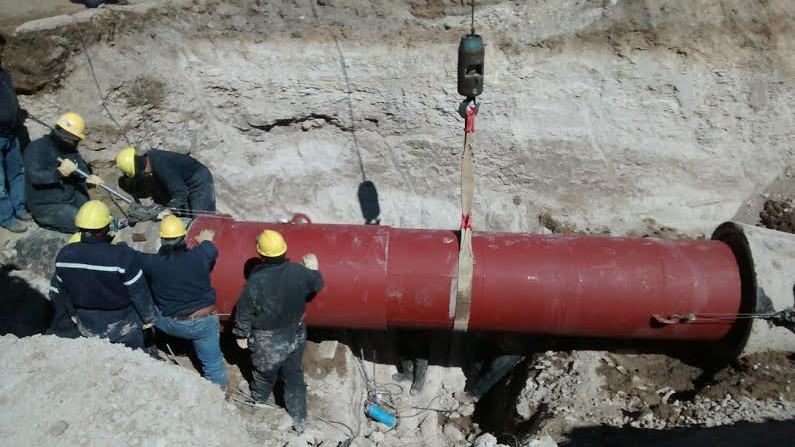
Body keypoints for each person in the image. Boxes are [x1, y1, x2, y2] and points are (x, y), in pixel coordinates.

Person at [233, 229, 323, 433]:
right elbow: (317, 284)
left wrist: (241, 333)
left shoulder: (256, 281)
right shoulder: (298, 271)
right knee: (293, 374)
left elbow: (244, 309)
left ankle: (259, 400)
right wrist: (314, 270)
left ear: (261, 254)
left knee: (265, 373)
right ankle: (299, 419)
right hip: (295, 333)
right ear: (284, 250)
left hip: (268, 340)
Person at [137, 215, 228, 388]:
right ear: (184, 237)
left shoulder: (152, 263)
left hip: (174, 325)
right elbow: (210, 249)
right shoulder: (200, 255)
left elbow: (132, 257)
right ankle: (220, 395)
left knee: (145, 307)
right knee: (214, 365)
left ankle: (151, 344)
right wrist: (205, 240)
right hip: (205, 322)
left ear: (162, 239)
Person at [52, 200, 156, 349]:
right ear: (107, 226)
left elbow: (57, 292)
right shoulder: (122, 256)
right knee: (134, 357)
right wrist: (149, 319)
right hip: (123, 326)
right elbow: (139, 293)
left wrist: (67, 317)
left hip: (87, 325)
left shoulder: (65, 254)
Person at [23, 112, 103, 233]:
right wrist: (59, 173)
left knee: (97, 217)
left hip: (70, 196)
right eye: (72, 140)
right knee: (84, 224)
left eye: (76, 140)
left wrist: (88, 178)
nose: (74, 143)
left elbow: (81, 167)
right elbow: (35, 177)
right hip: (46, 205)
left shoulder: (68, 148)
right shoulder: (36, 148)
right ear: (63, 135)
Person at [115, 146, 215, 217]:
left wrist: (170, 209)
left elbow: (180, 192)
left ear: (141, 170)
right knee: (185, 216)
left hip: (198, 181)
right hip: (182, 181)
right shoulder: (150, 162)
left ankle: (209, 243)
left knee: (201, 219)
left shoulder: (162, 166)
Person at [0, 34, 32, 233]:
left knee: (17, 174)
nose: (1, 53)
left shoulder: (3, 74)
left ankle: (20, 208)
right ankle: (6, 217)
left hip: (11, 134)